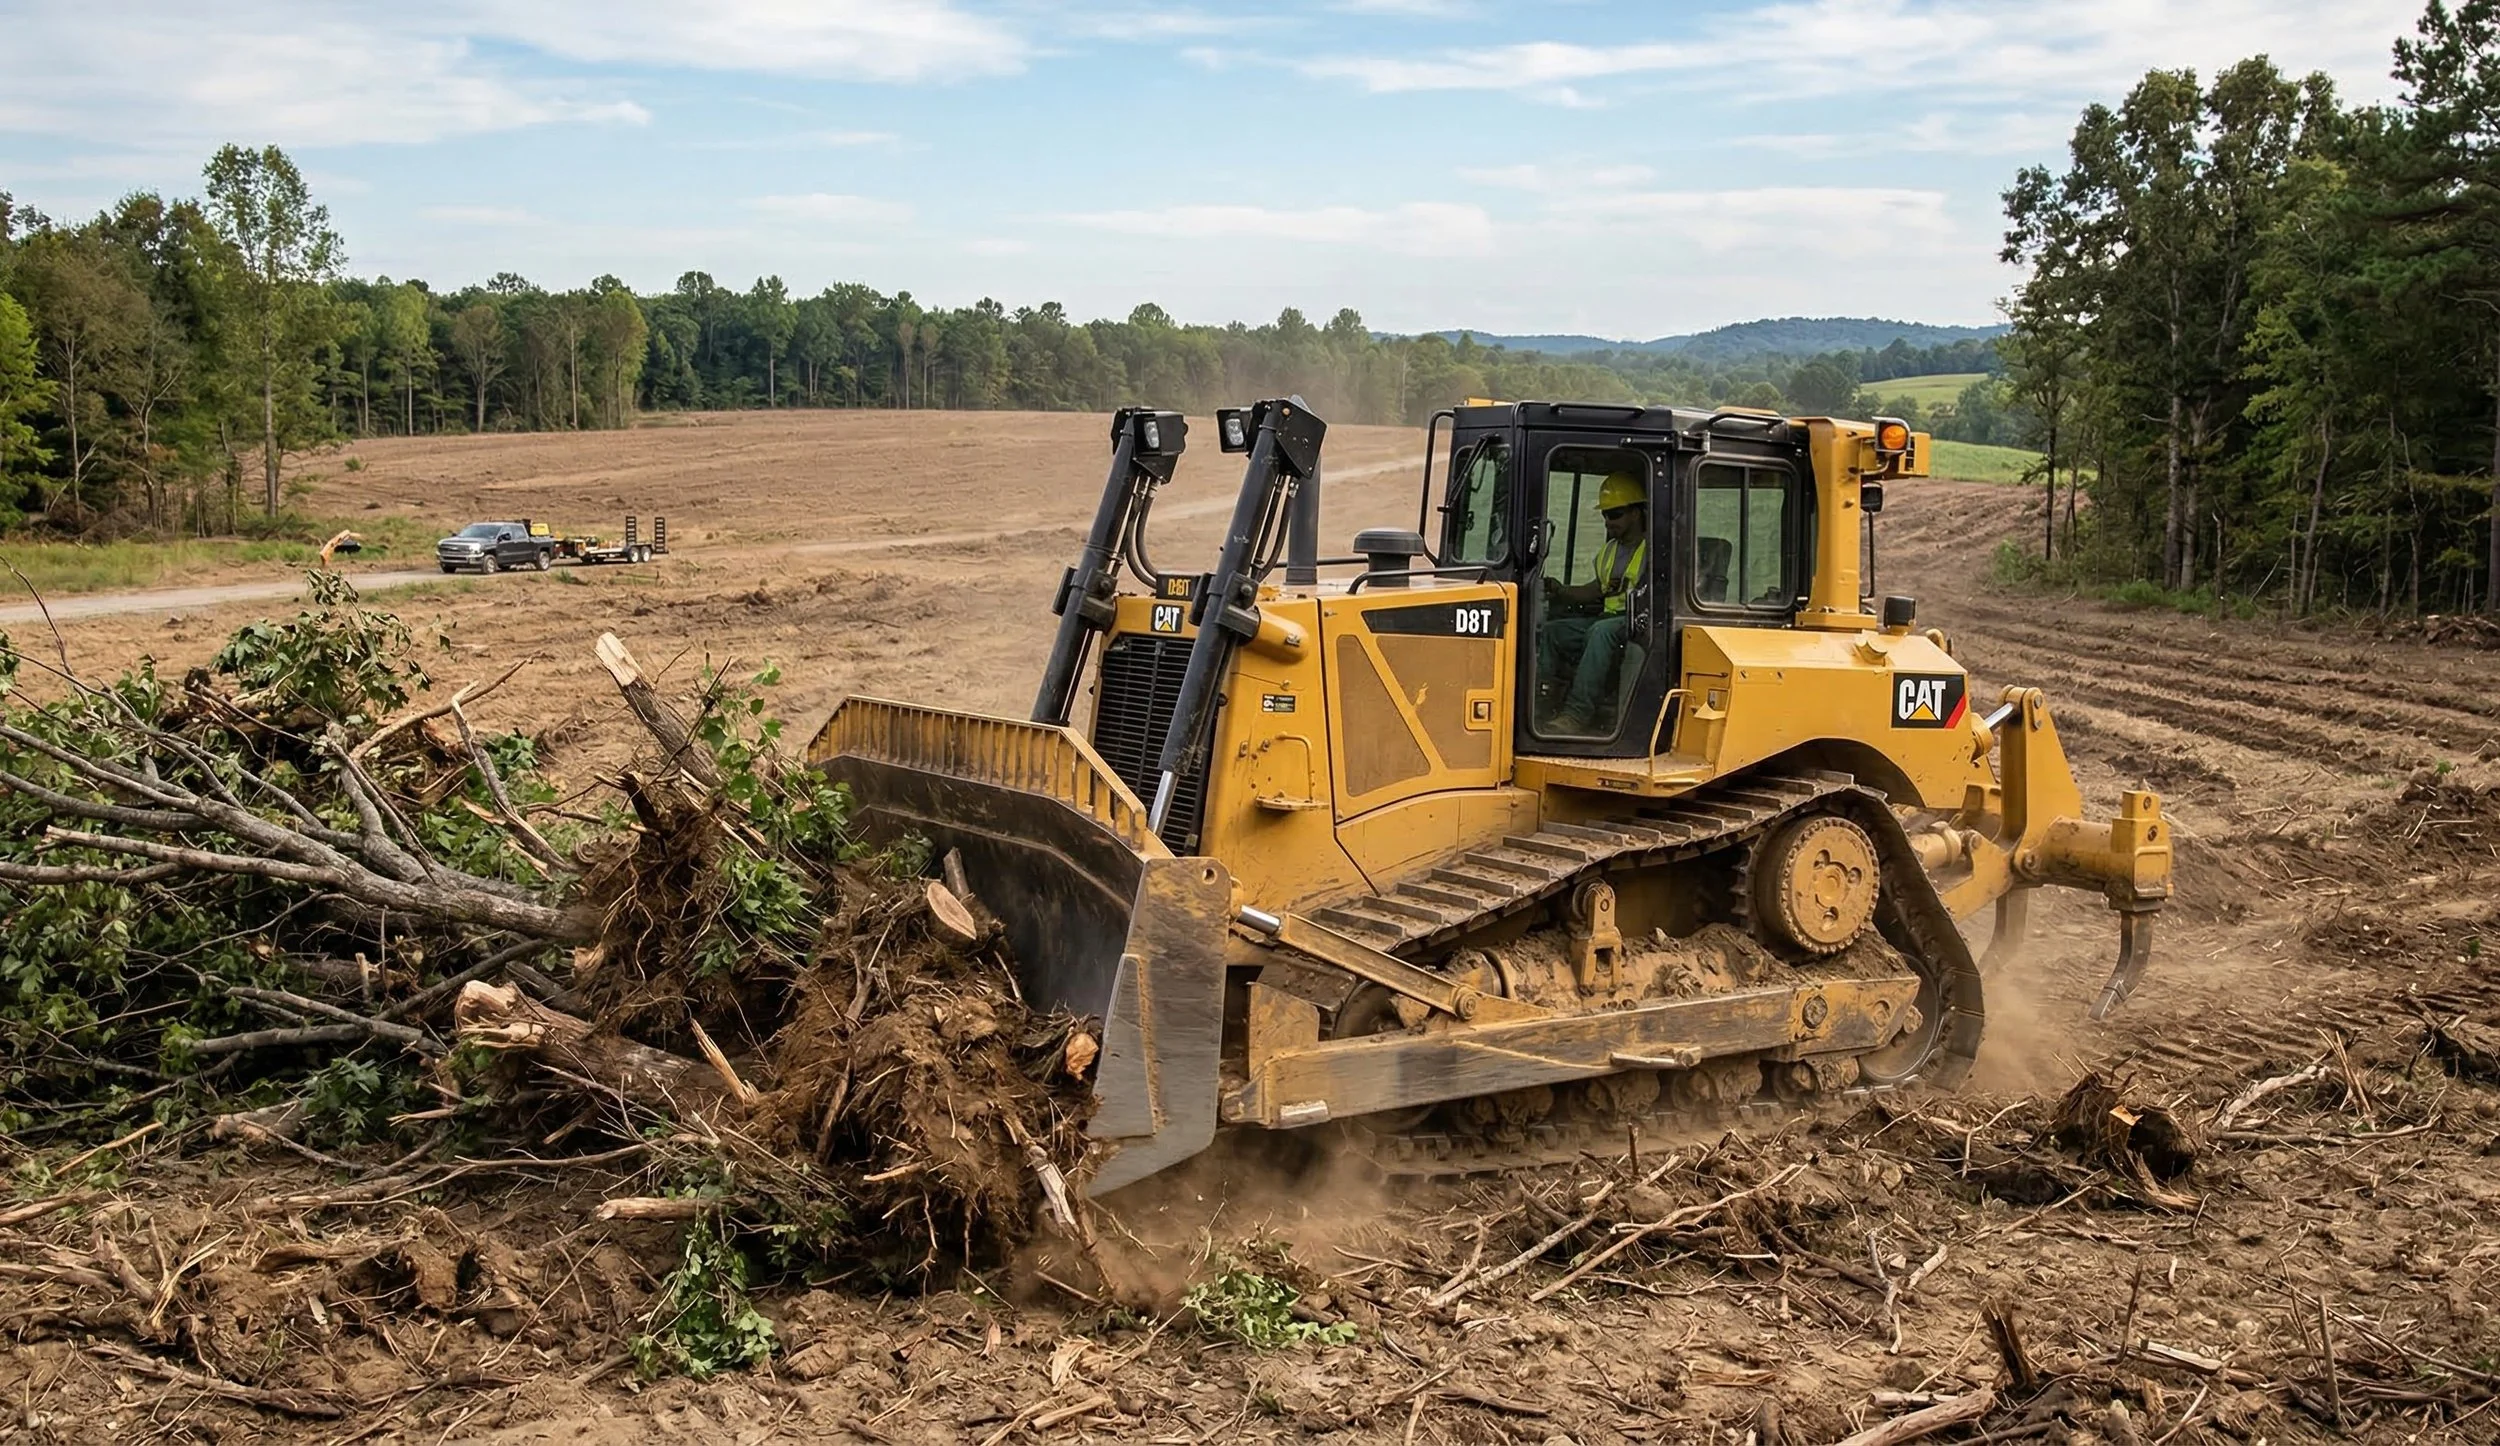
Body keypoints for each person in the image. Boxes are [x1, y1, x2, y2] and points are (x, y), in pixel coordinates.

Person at [1541, 471, 1647, 734]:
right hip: (1607, 619)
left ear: (1635, 513)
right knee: (1553, 631)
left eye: (1615, 514)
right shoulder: (1610, 550)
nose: (1608, 521)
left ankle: (1576, 715)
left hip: (1636, 621)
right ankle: (1542, 703)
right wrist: (1560, 590)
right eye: (1605, 515)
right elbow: (1595, 590)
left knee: (1600, 632)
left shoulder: (1653, 550)